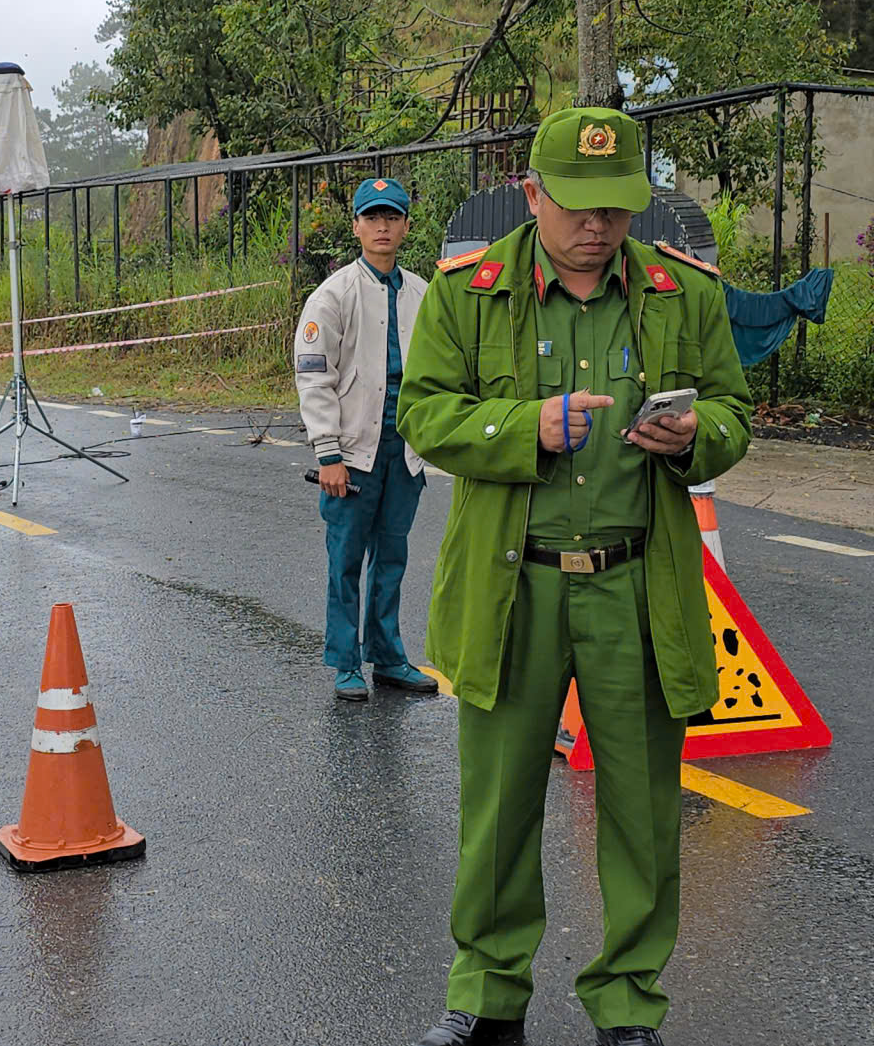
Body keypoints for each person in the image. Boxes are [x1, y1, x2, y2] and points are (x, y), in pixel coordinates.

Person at [395, 107, 753, 1046]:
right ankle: (486, 990)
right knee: (501, 802)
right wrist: (527, 429)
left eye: (618, 208)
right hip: (517, 586)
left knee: (642, 807)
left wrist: (694, 437)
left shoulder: (685, 292)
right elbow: (424, 413)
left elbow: (734, 414)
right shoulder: (469, 291)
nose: (597, 226)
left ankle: (628, 1000)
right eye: (577, 206)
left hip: (638, 586)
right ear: (532, 194)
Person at [294, 178, 439, 703]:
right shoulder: (332, 296)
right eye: (372, 217)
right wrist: (327, 453)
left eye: (392, 217)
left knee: (393, 557)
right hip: (353, 452)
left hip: (405, 452)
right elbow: (314, 376)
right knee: (346, 559)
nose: (382, 227)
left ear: (405, 225)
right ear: (355, 225)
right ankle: (345, 661)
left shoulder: (425, 294)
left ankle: (389, 655)